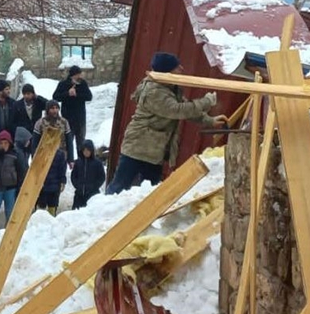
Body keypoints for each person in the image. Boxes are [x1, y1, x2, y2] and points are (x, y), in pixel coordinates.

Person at [107, 52, 225, 194]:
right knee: (119, 187)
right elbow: (177, 110)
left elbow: (186, 109)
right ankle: (104, 208)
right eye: (176, 66)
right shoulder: (154, 91)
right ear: (167, 71)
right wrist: (206, 102)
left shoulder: (170, 87)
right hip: (138, 147)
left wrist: (210, 121)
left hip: (154, 149)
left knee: (151, 192)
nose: (181, 68)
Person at [53, 66, 93, 159]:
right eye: (78, 74)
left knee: (81, 142)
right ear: (72, 75)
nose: (80, 76)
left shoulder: (82, 84)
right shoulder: (63, 84)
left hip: (80, 119)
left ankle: (81, 161)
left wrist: (77, 94)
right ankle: (68, 161)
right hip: (67, 119)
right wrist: (67, 93)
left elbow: (89, 97)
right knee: (67, 143)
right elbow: (55, 97)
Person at [70, 140, 106, 210]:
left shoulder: (97, 163)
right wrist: (77, 185)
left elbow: (102, 177)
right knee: (76, 213)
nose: (86, 152)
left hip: (92, 195)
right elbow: (73, 176)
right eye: (84, 150)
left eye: (88, 150)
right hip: (79, 195)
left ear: (91, 150)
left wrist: (94, 187)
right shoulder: (78, 162)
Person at [10, 84, 45, 151]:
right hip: (23, 136)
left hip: (36, 133)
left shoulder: (38, 103)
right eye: (24, 94)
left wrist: (38, 97)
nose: (26, 96)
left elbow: (48, 104)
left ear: (33, 94)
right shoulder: (17, 105)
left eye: (28, 94)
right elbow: (12, 122)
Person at [37, 147, 68, 216]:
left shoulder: (60, 154)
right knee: (41, 208)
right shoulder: (41, 152)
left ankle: (50, 219)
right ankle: (40, 219)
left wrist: (62, 182)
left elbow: (62, 169)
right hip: (43, 186)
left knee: (52, 207)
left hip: (54, 186)